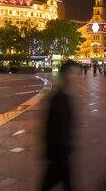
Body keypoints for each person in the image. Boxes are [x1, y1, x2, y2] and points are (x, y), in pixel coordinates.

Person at [42, 60, 77, 191]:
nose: (75, 76)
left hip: (61, 152)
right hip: (59, 152)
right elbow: (52, 126)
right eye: (72, 73)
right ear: (65, 74)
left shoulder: (66, 95)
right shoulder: (59, 98)